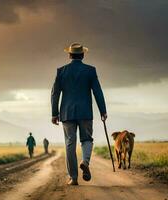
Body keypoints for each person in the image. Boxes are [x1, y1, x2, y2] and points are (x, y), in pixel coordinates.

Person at [51, 43, 107, 186]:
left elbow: (55, 93)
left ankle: (73, 178)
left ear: (69, 55)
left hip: (67, 112)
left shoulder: (61, 71)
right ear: (82, 55)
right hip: (85, 112)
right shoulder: (90, 71)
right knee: (87, 139)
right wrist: (103, 111)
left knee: (70, 143)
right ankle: (85, 161)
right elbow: (97, 92)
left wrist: (54, 113)